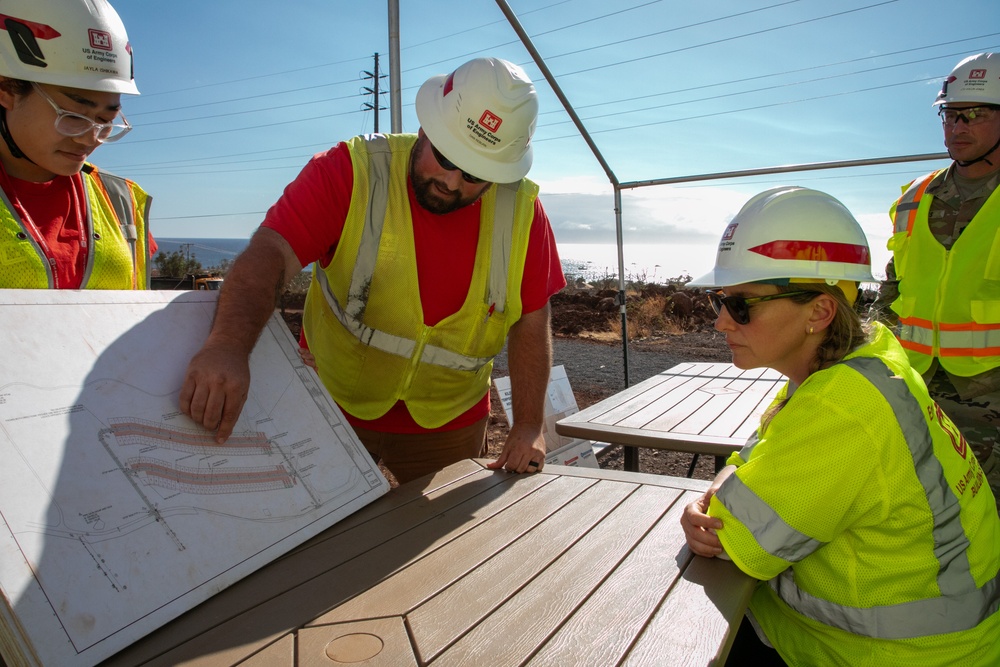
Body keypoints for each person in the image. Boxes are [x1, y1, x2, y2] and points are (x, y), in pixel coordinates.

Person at [179, 57, 565, 484]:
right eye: (445, 156)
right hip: (331, 405)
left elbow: (532, 318)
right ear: (426, 127)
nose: (452, 182)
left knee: (443, 548)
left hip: (449, 422)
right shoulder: (353, 169)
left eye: (475, 175)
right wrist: (228, 347)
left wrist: (529, 424)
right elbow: (271, 252)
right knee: (319, 538)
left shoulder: (523, 213)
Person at [681, 187, 1000, 666]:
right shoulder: (868, 359)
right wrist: (733, 484)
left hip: (885, 655)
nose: (722, 323)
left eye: (742, 305)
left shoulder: (841, 406)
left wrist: (722, 493)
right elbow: (749, 460)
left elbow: (732, 535)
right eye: (718, 301)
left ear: (820, 312)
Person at [874, 52, 1000, 512]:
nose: (957, 127)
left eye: (976, 114)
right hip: (917, 397)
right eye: (950, 115)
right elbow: (893, 294)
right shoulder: (914, 199)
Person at [0, 0, 153, 290]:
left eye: (105, 119)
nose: (90, 138)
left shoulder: (124, 201)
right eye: (72, 117)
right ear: (6, 89)